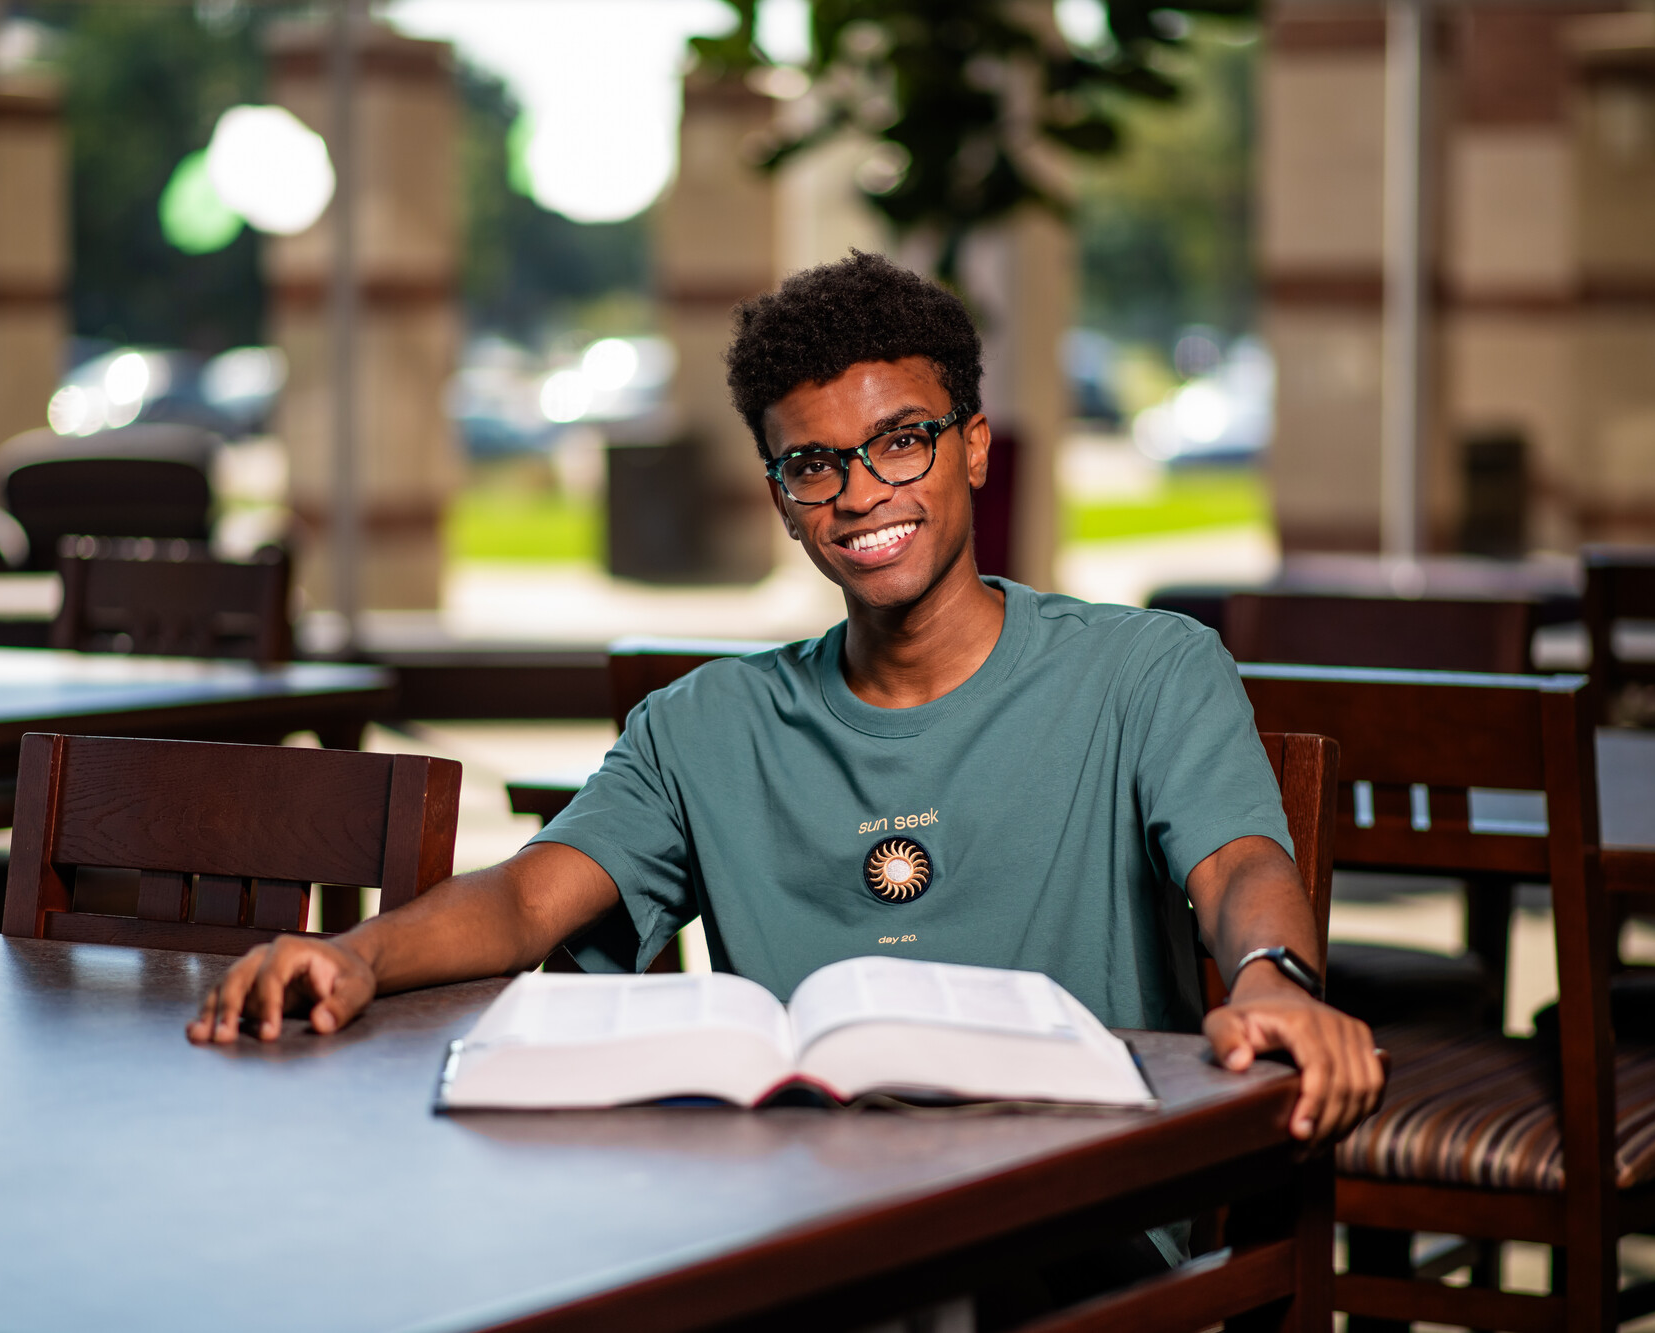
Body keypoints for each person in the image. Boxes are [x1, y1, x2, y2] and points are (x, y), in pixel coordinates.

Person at [189, 251, 1382, 1153]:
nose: (862, 492)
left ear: (972, 446)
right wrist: (352, 953)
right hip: (797, 1210)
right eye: (814, 464)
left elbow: (1235, 867)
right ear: (780, 495)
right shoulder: (701, 725)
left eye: (899, 443)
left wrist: (1274, 976)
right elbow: (519, 900)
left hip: (1074, 1211)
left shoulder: (1148, 668)